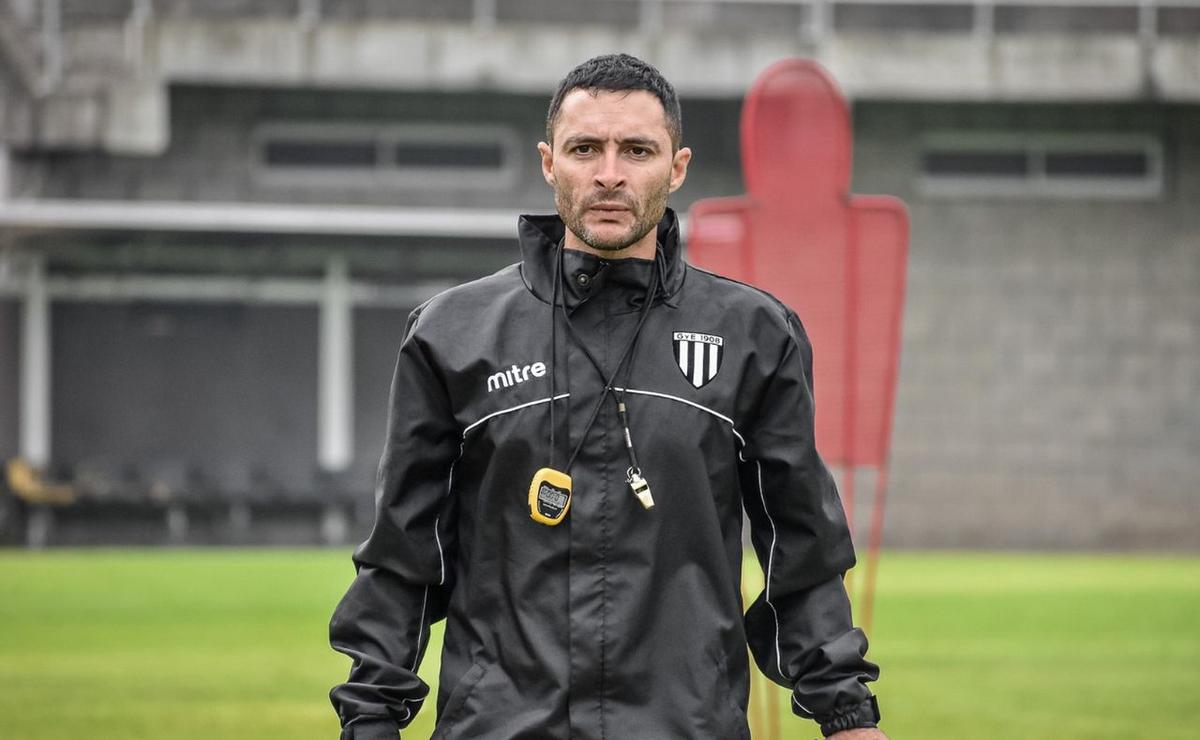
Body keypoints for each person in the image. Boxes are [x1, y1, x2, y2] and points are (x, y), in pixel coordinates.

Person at [329, 53, 884, 740]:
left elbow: (799, 549)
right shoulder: (452, 334)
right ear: (549, 162)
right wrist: (370, 720)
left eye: (637, 150)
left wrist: (847, 714)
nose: (610, 173)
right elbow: (405, 555)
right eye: (585, 148)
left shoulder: (754, 337)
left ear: (676, 167)